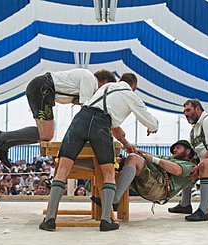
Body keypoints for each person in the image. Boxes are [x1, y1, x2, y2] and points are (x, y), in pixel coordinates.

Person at [39, 72, 158, 232]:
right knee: (108, 172)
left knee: (62, 169)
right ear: (134, 87)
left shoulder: (107, 87)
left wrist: (125, 142)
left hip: (81, 119)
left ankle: (50, 219)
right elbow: (150, 122)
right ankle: (106, 219)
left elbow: (115, 128)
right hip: (101, 125)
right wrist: (152, 128)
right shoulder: (131, 96)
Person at [0, 69, 117, 168]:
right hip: (43, 89)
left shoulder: (87, 82)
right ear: (105, 82)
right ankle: (1, 136)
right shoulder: (89, 79)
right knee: (47, 135)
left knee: (45, 135)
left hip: (41, 90)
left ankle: (5, 144)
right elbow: (86, 111)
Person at [91, 140, 196, 210]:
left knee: (133, 158)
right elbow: (149, 155)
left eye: (178, 148)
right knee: (117, 160)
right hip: (153, 183)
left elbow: (177, 170)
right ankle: (78, 164)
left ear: (188, 151)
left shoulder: (190, 166)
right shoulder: (170, 158)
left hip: (162, 190)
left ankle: (114, 200)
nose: (174, 150)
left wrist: (151, 159)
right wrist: (128, 147)